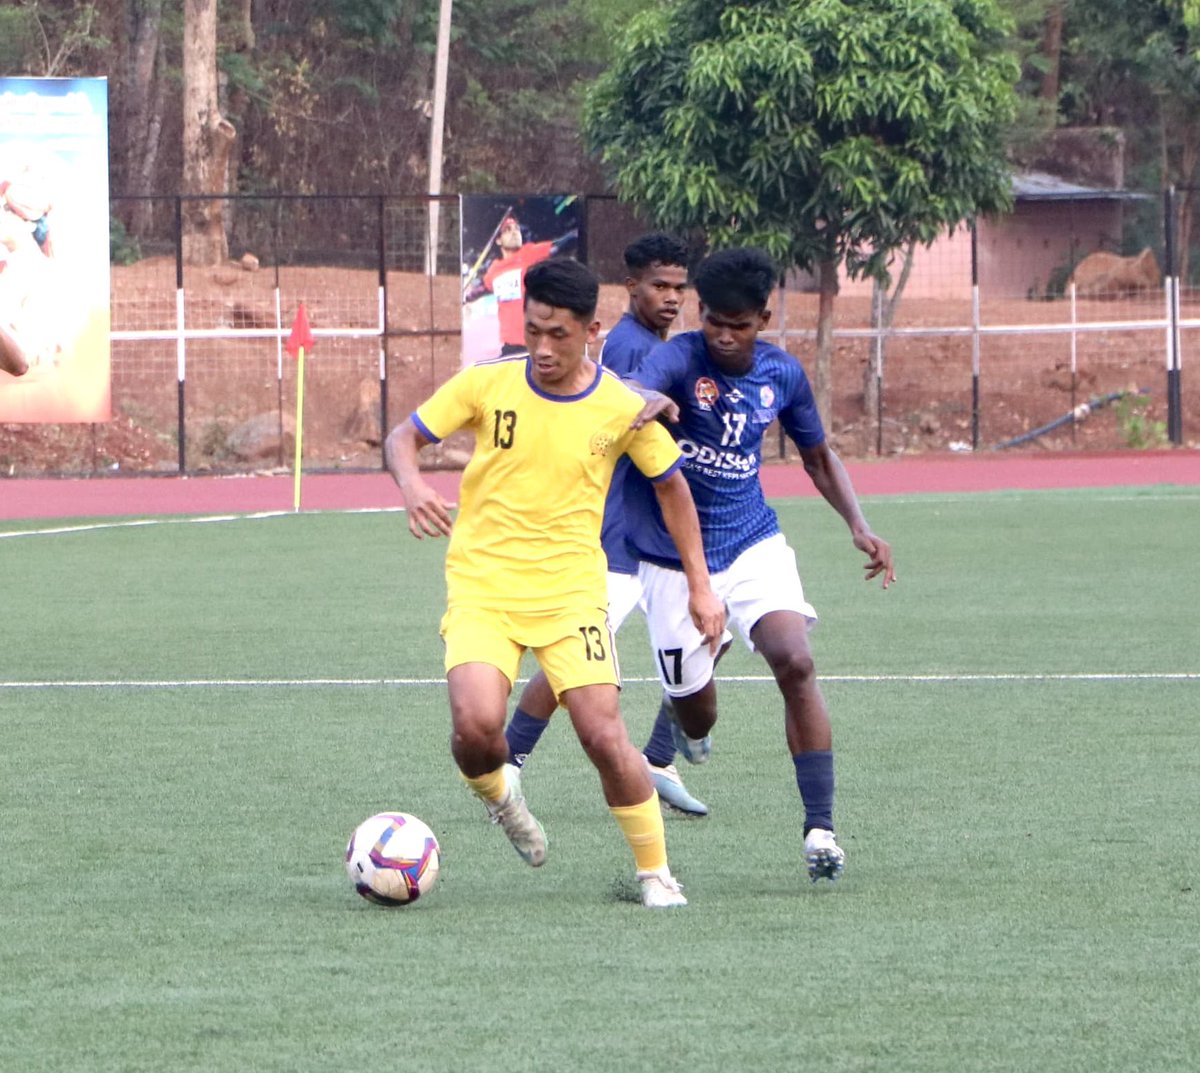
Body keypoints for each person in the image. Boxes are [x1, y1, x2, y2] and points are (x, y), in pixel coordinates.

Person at [383, 257, 726, 909]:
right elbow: (405, 437)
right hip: (484, 585)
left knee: (603, 733)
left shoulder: (621, 408)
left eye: (558, 334)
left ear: (591, 329)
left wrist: (699, 586)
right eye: (533, 330)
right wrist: (413, 483)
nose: (542, 347)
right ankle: (501, 796)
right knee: (475, 727)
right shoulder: (487, 385)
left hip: (571, 595)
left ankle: (655, 872)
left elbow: (673, 488)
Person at [625, 246, 895, 883]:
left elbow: (818, 456)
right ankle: (686, 724)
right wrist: (649, 401)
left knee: (795, 660)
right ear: (701, 312)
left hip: (752, 541)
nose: (723, 335)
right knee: (699, 713)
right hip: (673, 559)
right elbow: (634, 386)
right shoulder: (680, 355)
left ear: (764, 319)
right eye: (714, 319)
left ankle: (820, 828)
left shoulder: (784, 375)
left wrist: (859, 525)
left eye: (739, 325)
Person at [503, 232, 714, 816]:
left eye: (679, 287)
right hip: (614, 535)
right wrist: (652, 396)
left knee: (703, 635)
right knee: (573, 659)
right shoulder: (626, 345)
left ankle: (660, 752)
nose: (671, 297)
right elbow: (615, 393)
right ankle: (510, 759)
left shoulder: (653, 340)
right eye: (659, 286)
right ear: (632, 287)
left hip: (650, 534)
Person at [471, 214, 577, 357]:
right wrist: (466, 295)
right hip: (509, 346)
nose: (515, 232)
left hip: (534, 343)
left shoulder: (530, 253)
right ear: (498, 240)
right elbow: (482, 288)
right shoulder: (494, 269)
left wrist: (578, 233)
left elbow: (560, 245)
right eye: (508, 230)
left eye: (517, 229)